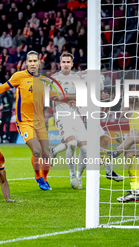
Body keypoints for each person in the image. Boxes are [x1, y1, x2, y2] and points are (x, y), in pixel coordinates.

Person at [49, 53, 123, 189]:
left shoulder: (99, 77)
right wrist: (71, 98)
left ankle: (104, 171)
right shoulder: (80, 75)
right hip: (81, 113)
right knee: (75, 144)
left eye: (68, 62)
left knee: (96, 143)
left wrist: (103, 99)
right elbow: (56, 96)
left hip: (87, 113)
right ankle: (76, 175)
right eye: (63, 61)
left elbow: (89, 95)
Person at [0, 51, 52, 191]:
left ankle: (44, 178)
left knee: (46, 153)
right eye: (30, 61)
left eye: (35, 61)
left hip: (39, 121)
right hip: (24, 122)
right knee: (37, 150)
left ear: (39, 63)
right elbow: (4, 86)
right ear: (26, 63)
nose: (33, 63)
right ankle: (38, 177)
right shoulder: (19, 76)